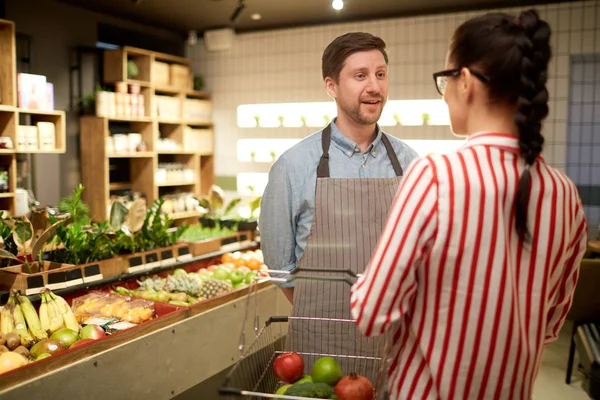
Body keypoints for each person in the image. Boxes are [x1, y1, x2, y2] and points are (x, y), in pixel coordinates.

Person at [350, 9, 588, 400]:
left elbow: (372, 312)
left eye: (445, 80)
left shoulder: (435, 177)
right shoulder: (564, 194)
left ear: (466, 82)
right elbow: (548, 324)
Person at [259, 32, 418, 380]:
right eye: (360, 76)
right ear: (331, 86)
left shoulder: (410, 163)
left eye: (380, 74)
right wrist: (323, 310)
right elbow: (279, 265)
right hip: (320, 341)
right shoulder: (293, 165)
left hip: (394, 340)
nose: (374, 86)